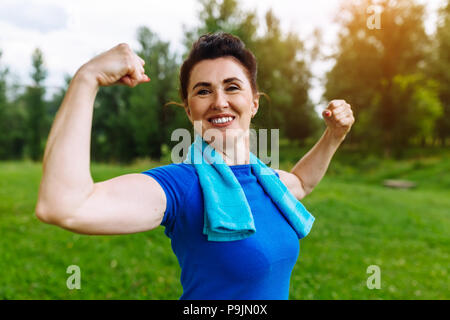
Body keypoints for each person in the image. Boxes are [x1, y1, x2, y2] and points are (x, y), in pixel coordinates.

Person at [35, 32, 354, 300]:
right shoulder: (182, 186)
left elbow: (301, 181)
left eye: (232, 87)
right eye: (204, 91)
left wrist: (333, 136)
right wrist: (86, 78)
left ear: (254, 102)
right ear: (189, 110)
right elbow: (64, 206)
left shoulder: (267, 181)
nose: (219, 101)